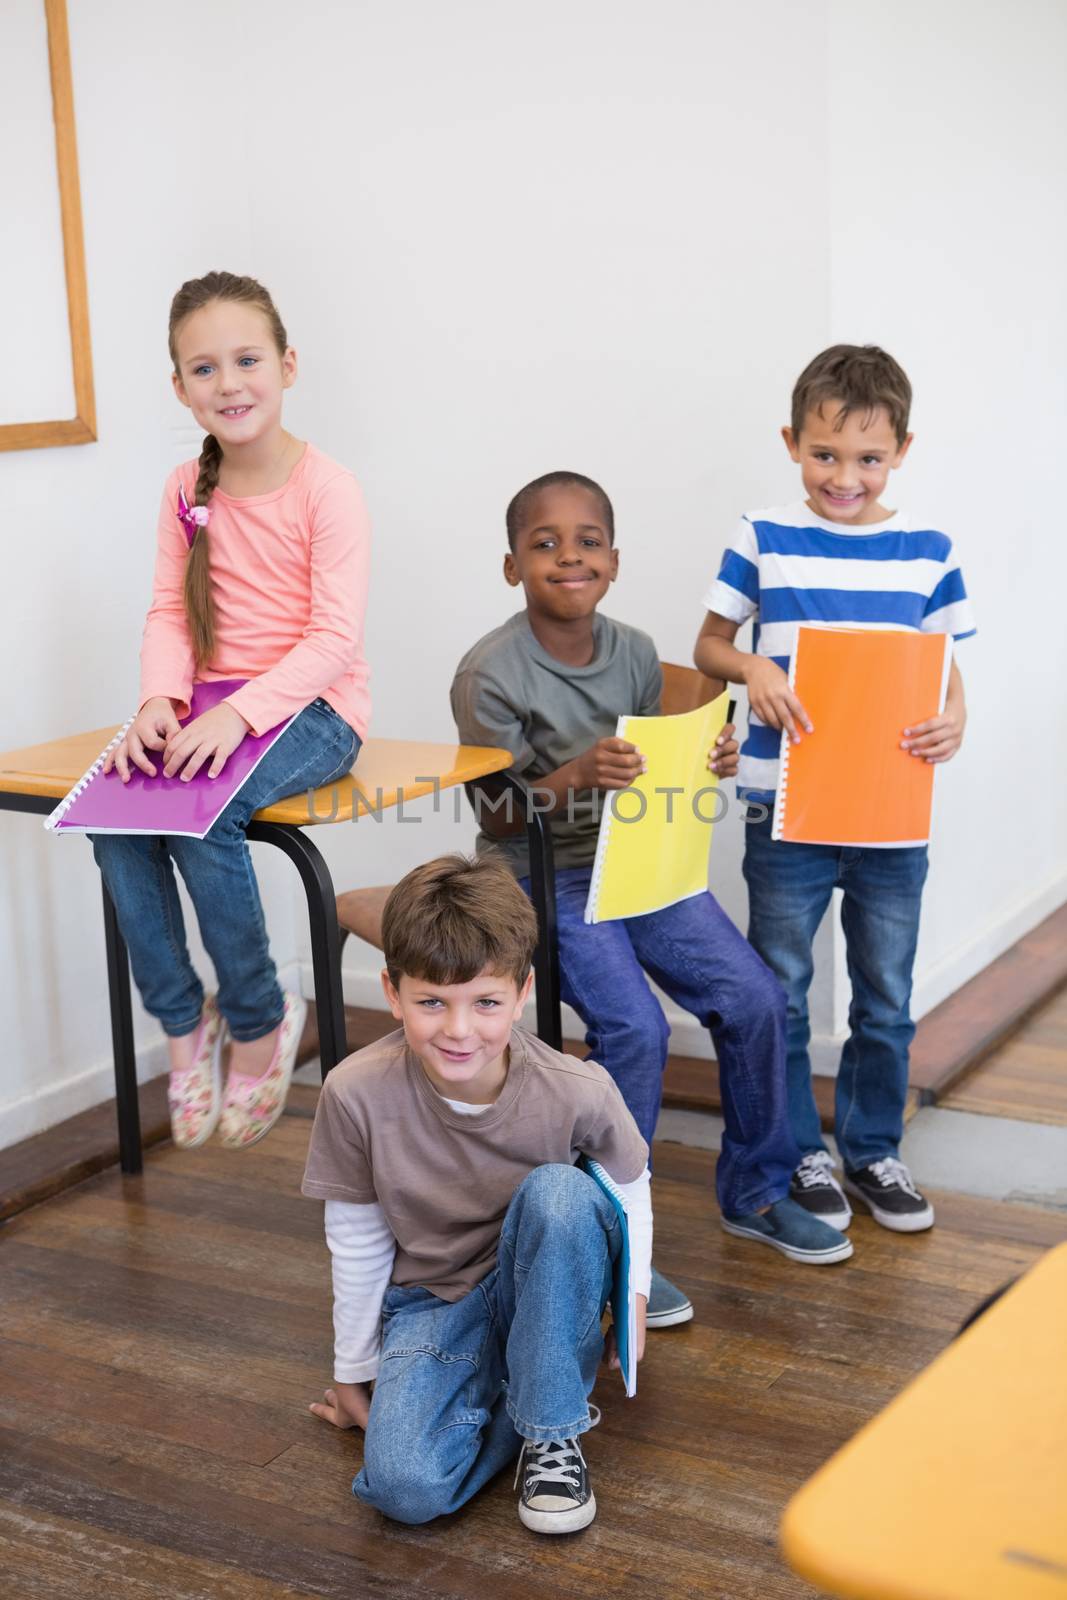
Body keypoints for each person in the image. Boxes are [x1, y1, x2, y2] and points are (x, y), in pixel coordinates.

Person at [450, 471, 851, 1324]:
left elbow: (654, 769)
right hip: (536, 871)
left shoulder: (632, 651)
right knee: (632, 1026)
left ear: (615, 560)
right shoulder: (488, 671)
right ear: (511, 565)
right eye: (545, 542)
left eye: (587, 540)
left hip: (633, 859)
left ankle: (754, 1191)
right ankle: (608, 1240)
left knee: (752, 997)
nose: (569, 556)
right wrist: (576, 775)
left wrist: (708, 758)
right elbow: (494, 811)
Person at [695, 344, 976, 1233]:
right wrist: (751, 669)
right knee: (776, 988)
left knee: (883, 994)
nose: (842, 476)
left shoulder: (927, 551)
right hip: (785, 809)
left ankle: (870, 1148)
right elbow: (708, 645)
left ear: (900, 450)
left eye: (865, 458)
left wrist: (955, 722)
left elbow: (943, 672)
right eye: (823, 454)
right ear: (791, 442)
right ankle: (794, 1152)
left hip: (892, 814)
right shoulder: (762, 536)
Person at [91, 271, 370, 1152]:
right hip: (212, 706)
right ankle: (185, 1023)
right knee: (113, 820)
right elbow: (170, 613)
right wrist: (157, 704)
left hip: (314, 708)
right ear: (180, 388)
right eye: (204, 369)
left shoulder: (328, 488)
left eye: (247, 360)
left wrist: (239, 717)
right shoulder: (186, 485)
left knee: (201, 819)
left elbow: (331, 638)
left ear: (286, 365)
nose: (230, 383)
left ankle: (258, 1017)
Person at [304, 854, 651, 1533]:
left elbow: (631, 1190)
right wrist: (353, 1369)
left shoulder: (578, 1088)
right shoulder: (352, 1092)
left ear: (521, 994)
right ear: (392, 991)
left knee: (559, 1195)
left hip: (541, 1268)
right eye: (431, 1001)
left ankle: (551, 1429)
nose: (459, 1030)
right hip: (433, 1300)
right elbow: (355, 1237)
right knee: (402, 1489)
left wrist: (632, 1295)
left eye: (485, 1003)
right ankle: (528, 1384)